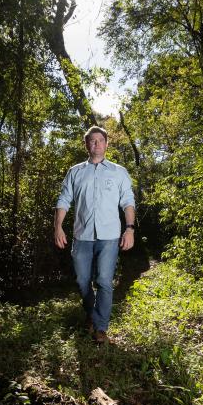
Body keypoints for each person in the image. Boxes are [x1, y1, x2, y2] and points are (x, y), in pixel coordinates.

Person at [54, 126, 136, 344]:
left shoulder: (119, 172)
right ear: (86, 144)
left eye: (100, 140)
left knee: (104, 281)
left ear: (107, 144)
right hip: (82, 236)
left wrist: (130, 229)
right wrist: (58, 227)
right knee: (82, 281)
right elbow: (64, 200)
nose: (96, 144)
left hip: (109, 236)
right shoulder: (75, 172)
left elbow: (128, 201)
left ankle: (100, 327)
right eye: (92, 141)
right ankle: (91, 312)